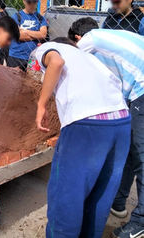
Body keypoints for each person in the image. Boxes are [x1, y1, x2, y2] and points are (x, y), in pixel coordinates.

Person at [34, 38, 131, 237]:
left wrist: (41, 104)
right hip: (121, 120)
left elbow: (56, 63)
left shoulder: (50, 47)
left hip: (87, 125)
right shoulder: (89, 58)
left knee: (68, 195)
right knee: (101, 195)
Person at [68, 17, 144, 238]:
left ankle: (140, 222)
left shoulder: (88, 41)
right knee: (132, 149)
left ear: (77, 38)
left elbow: (73, 68)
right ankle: (119, 203)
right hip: (137, 90)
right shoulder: (113, 40)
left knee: (141, 157)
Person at [7, 0, 48, 71]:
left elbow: (43, 35)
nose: (32, 5)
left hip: (32, 58)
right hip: (16, 56)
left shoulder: (40, 18)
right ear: (24, 1)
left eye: (34, 2)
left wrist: (25, 31)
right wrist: (36, 34)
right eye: (29, 2)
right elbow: (18, 36)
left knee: (30, 81)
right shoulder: (16, 16)